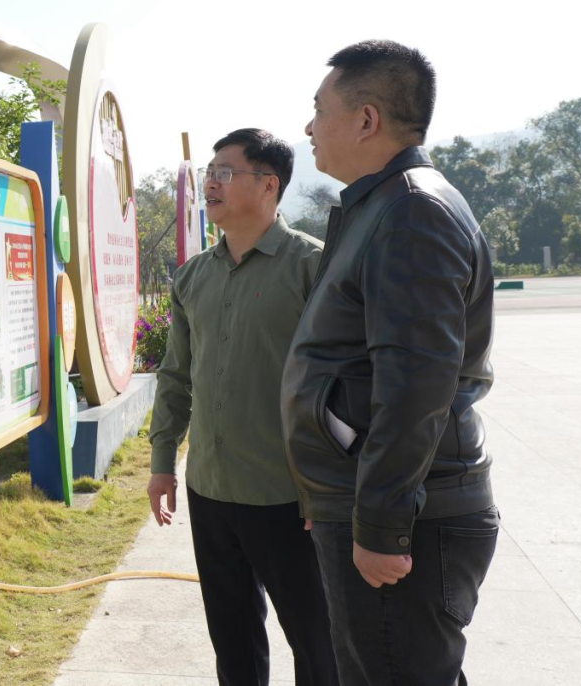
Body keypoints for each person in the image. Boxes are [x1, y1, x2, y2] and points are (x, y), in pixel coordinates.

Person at [281, 40, 498, 685]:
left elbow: (415, 386)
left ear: (366, 119)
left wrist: (381, 524)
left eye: (319, 109)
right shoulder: (380, 206)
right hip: (371, 499)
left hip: (408, 516)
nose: (309, 127)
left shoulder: (411, 212)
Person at [148, 128, 338, 686]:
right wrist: (162, 463)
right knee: (232, 641)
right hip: (210, 489)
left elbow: (343, 384)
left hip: (289, 497)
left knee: (317, 640)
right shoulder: (192, 276)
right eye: (210, 173)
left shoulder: (313, 267)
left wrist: (328, 486)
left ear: (269, 184)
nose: (211, 183)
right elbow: (175, 376)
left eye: (226, 172)